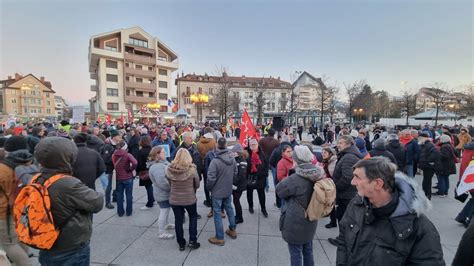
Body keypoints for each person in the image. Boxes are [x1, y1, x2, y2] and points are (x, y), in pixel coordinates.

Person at [334, 157, 444, 265]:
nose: (353, 182)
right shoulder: (356, 204)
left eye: (357, 177)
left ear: (377, 183)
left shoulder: (419, 227)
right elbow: (343, 240)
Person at [35, 137, 104, 265]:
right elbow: (97, 202)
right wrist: (98, 193)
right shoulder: (67, 183)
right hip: (69, 248)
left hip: (47, 242)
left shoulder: (37, 178)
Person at [276, 145, 326, 266]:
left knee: (295, 252)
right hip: (311, 218)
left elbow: (280, 191)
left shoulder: (296, 178)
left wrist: (292, 172)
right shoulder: (319, 172)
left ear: (296, 160)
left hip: (296, 220)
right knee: (308, 249)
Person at [0, 136, 33, 266]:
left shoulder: (4, 168)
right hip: (22, 208)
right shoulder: (29, 164)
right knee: (19, 238)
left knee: (9, 243)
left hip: (5, 211)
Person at [328, 135, 363, 246]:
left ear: (348, 144)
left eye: (341, 143)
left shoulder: (349, 157)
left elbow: (347, 178)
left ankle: (343, 240)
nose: (338, 145)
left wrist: (335, 187)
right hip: (347, 194)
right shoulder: (348, 155)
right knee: (344, 218)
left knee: (344, 218)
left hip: (346, 195)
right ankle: (343, 239)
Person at [166, 149, 201, 251]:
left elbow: (170, 183)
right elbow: (197, 184)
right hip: (189, 198)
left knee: (178, 220)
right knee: (193, 217)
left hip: (175, 199)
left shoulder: (169, 169)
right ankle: (192, 241)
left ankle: (181, 243)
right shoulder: (192, 170)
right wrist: (192, 189)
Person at [206, 138, 238, 246]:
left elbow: (211, 179)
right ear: (226, 145)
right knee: (229, 209)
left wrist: (209, 188)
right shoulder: (232, 158)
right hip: (227, 190)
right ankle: (232, 230)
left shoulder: (215, 161)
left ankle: (219, 237)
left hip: (217, 192)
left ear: (217, 145)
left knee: (217, 214)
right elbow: (235, 172)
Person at [148, 146, 174, 239]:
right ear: (157, 154)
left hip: (163, 193)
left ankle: (166, 224)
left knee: (166, 211)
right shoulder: (157, 167)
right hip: (162, 194)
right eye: (163, 152)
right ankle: (162, 232)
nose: (165, 153)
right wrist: (172, 188)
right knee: (164, 211)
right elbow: (162, 183)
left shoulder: (161, 164)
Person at [112, 140, 137, 216]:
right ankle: (129, 212)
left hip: (118, 177)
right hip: (128, 177)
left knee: (119, 195)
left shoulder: (114, 155)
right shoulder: (128, 155)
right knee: (129, 195)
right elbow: (135, 162)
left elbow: (113, 164)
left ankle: (120, 212)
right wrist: (131, 169)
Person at [246, 138, 269, 217]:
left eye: (255, 144)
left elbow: (266, 165)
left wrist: (265, 174)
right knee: (250, 193)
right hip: (250, 177)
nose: (253, 146)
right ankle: (251, 206)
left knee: (261, 194)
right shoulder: (247, 154)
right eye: (252, 145)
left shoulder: (262, 154)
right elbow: (245, 166)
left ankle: (263, 209)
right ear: (249, 146)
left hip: (260, 178)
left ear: (257, 145)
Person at [101, 129, 122, 209]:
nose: (120, 137)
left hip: (115, 168)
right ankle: (107, 202)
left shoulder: (116, 144)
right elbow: (106, 159)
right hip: (109, 169)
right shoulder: (108, 146)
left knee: (115, 184)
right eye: (118, 136)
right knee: (108, 186)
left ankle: (115, 198)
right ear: (114, 137)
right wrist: (116, 158)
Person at [196, 130, 216, 208]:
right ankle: (214, 199)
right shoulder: (213, 142)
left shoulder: (198, 143)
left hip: (203, 165)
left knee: (205, 183)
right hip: (212, 164)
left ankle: (207, 200)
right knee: (214, 182)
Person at [418, 132, 440, 200]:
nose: (419, 139)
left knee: (427, 181)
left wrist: (428, 161)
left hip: (429, 167)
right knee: (426, 181)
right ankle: (426, 194)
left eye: (420, 138)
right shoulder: (425, 144)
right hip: (427, 166)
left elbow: (435, 154)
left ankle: (427, 195)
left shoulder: (429, 145)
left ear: (423, 138)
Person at [231, 144, 248, 224]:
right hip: (235, 185)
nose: (233, 153)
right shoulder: (235, 159)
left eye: (234, 152)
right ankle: (238, 216)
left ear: (238, 152)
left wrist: (235, 184)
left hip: (239, 186)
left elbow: (241, 175)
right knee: (235, 201)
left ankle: (239, 217)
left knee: (236, 201)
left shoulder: (242, 161)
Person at [321, 147, 338, 229]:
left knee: (332, 204)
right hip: (328, 184)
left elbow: (333, 175)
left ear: (330, 154)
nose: (323, 154)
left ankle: (333, 221)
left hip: (332, 185)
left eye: (325, 152)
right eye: (322, 152)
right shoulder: (327, 161)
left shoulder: (332, 162)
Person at [137, 135, 155, 210]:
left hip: (145, 171)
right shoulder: (152, 149)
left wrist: (137, 171)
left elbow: (139, 163)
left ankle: (150, 203)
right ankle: (152, 199)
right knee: (150, 186)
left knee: (148, 187)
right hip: (153, 169)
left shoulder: (141, 151)